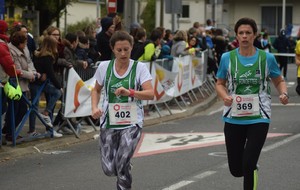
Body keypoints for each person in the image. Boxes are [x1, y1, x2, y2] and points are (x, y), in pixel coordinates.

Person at [215, 17, 289, 190]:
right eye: (241, 33)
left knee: (248, 163)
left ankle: (251, 168)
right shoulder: (227, 58)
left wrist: (283, 93)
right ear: (236, 36)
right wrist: (224, 96)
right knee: (236, 169)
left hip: (259, 117)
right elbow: (219, 84)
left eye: (248, 33)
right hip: (233, 117)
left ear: (255, 35)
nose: (245, 36)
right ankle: (251, 168)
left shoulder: (267, 58)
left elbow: (279, 80)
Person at [91, 30, 154, 190]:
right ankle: (124, 165)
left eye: (126, 49)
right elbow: (96, 89)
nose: (123, 53)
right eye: (119, 50)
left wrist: (131, 92)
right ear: (113, 49)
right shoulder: (104, 67)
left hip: (132, 123)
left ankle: (124, 171)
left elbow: (150, 93)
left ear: (132, 47)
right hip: (109, 122)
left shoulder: (139, 68)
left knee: (121, 163)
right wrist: (94, 107)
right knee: (108, 169)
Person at [3, 31, 41, 140]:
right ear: (19, 43)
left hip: (24, 82)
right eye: (24, 43)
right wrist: (31, 75)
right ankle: (10, 132)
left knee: (23, 109)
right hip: (15, 83)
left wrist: (33, 72)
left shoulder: (24, 49)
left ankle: (9, 129)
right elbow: (17, 69)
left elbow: (29, 62)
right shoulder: (10, 50)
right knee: (14, 109)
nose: (26, 45)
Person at [30, 36, 63, 137]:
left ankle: (33, 129)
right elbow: (51, 73)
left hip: (36, 82)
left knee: (34, 105)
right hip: (38, 83)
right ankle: (45, 113)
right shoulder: (47, 57)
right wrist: (59, 86)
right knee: (57, 92)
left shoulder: (37, 53)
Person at [0, 20, 22, 144]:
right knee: (2, 109)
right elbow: (9, 66)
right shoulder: (2, 45)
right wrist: (18, 73)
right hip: (1, 81)